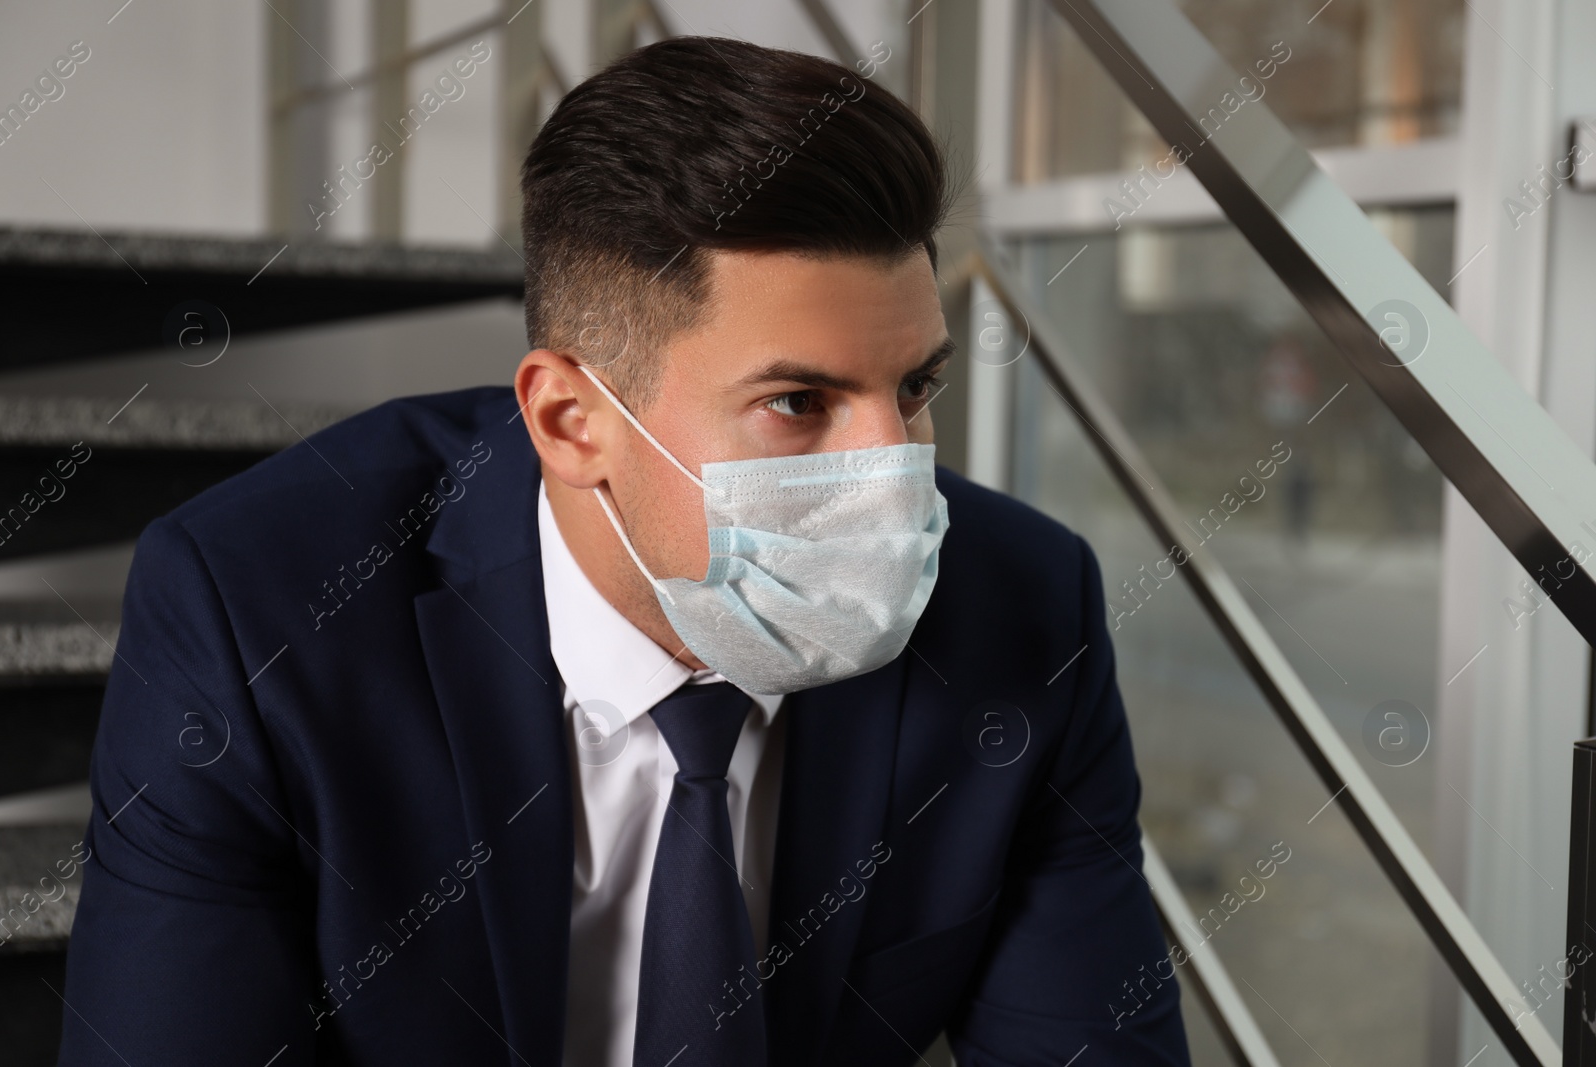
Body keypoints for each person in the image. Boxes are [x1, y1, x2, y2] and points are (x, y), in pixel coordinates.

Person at [58, 36, 1189, 1067]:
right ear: (570, 422)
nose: (894, 475)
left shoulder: (1024, 608)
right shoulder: (256, 610)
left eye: (915, 387)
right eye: (799, 400)